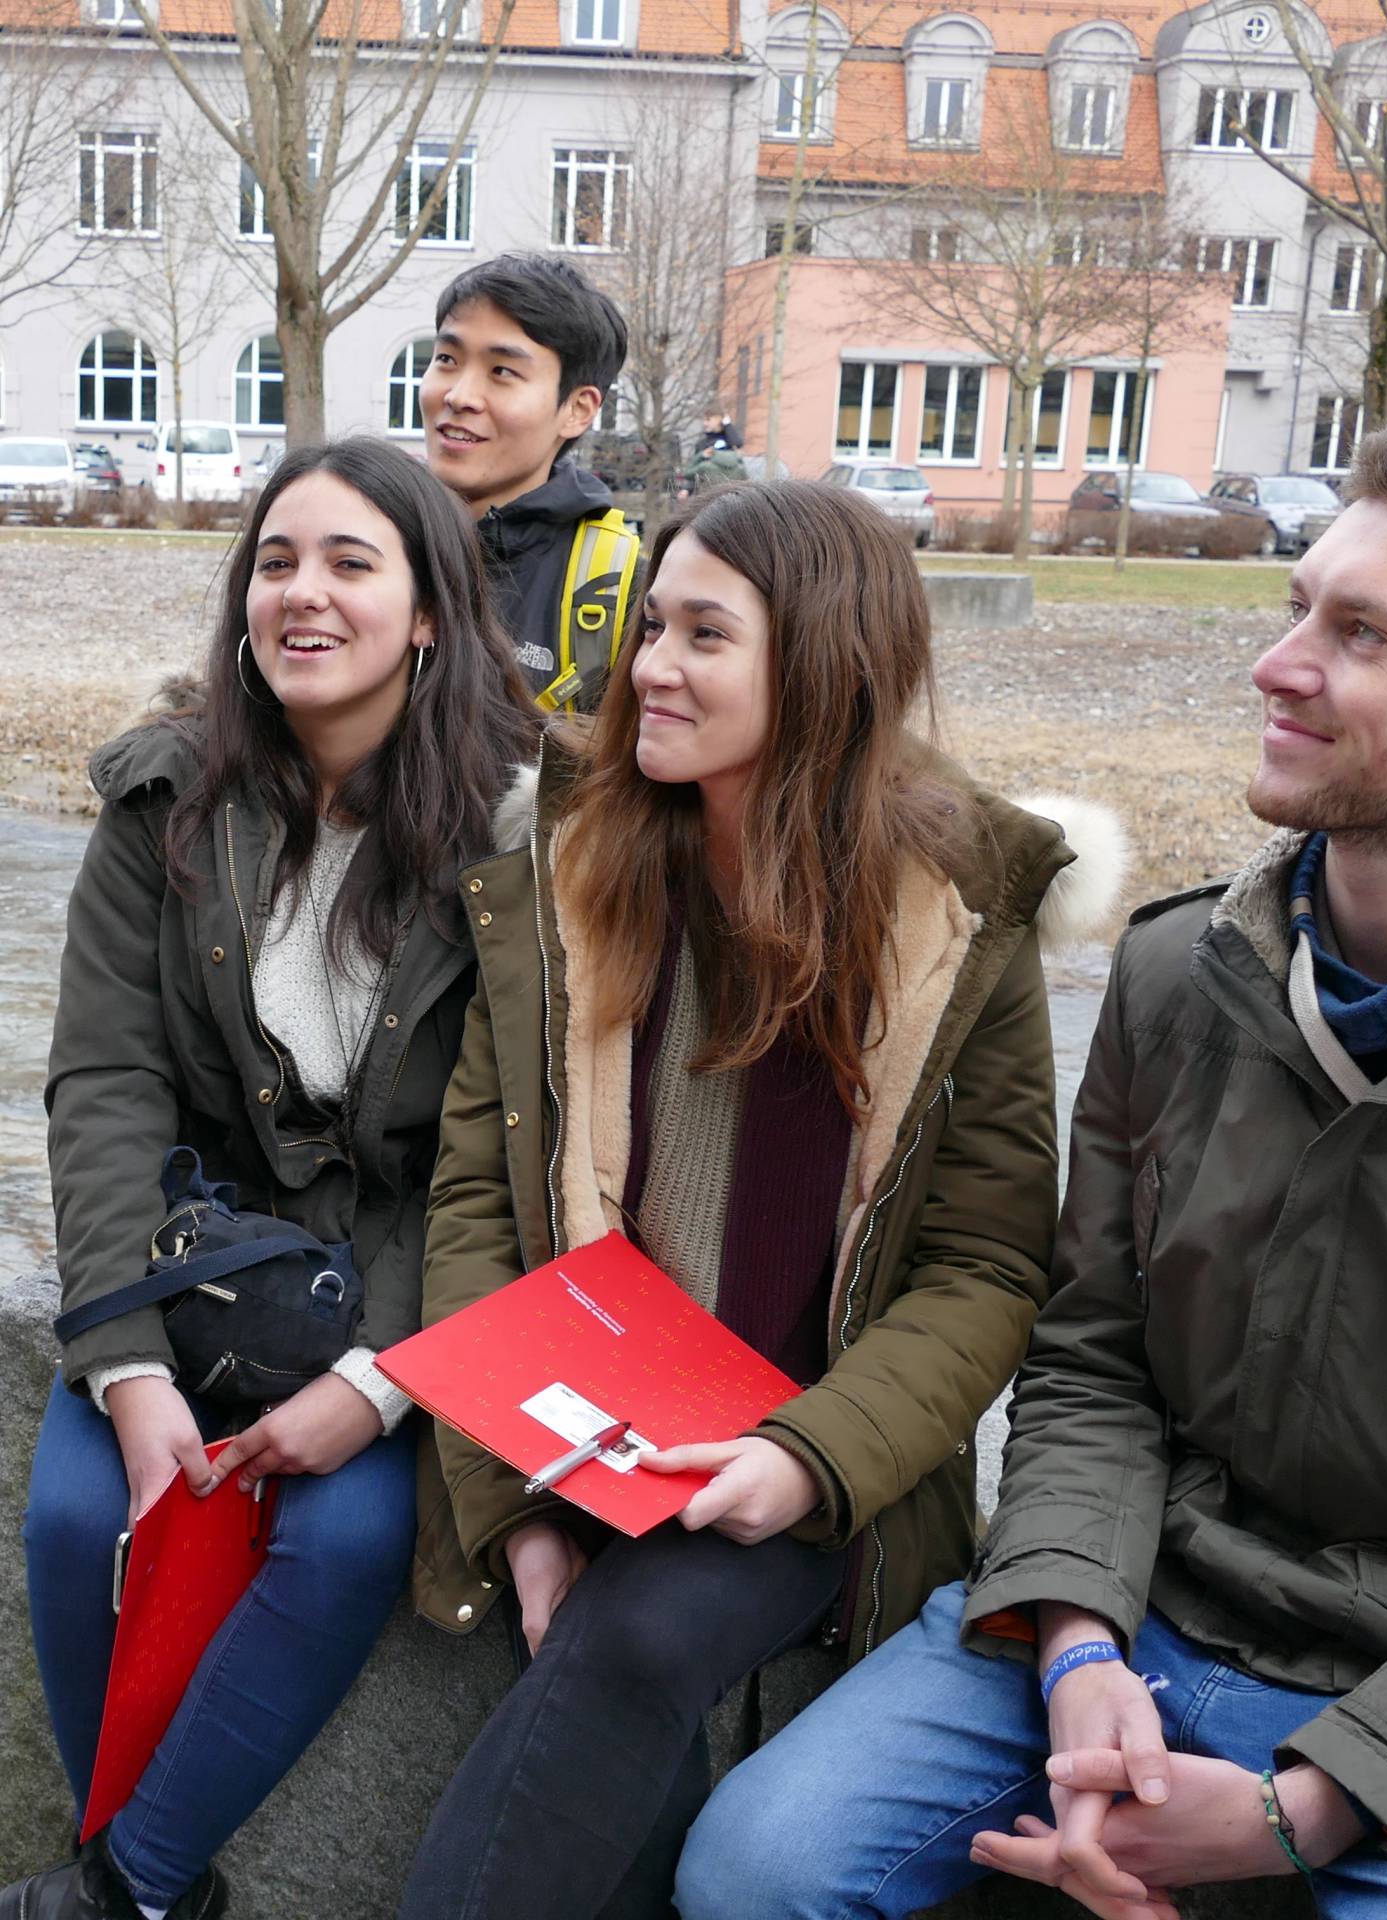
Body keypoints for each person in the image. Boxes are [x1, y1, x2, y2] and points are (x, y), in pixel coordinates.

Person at [673, 422, 1387, 1920]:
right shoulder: (1178, 973)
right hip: (1131, 1613)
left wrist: (1310, 1810)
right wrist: (1080, 1644)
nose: (1278, 664)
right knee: (753, 1872)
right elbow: (1091, 1358)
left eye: (1359, 635)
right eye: (1300, 606)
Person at [398, 479, 1125, 1920]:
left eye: (704, 637)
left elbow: (985, 1270)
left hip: (808, 1456)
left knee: (635, 1638)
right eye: (651, 625)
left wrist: (806, 1460)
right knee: (600, 1668)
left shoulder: (957, 915)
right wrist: (514, 1499)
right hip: (576, 1427)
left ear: (823, 672)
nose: (649, 668)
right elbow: (479, 1198)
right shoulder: (572, 868)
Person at [8, 439, 540, 1920]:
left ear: (430, 612)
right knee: (75, 1517)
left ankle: (121, 1888)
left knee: (348, 1531)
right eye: (276, 561)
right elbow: (103, 1086)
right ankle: (141, 1881)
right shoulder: (163, 804)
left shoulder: (523, 839)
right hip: (195, 1261)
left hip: (398, 1280)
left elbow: (511, 1156)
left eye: (351, 565)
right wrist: (123, 1366)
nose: (301, 594)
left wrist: (380, 1382)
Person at [422, 252, 641, 714]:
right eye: (446, 358)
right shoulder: (372, 541)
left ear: (577, 410)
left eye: (502, 371)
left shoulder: (621, 592)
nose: (459, 396)